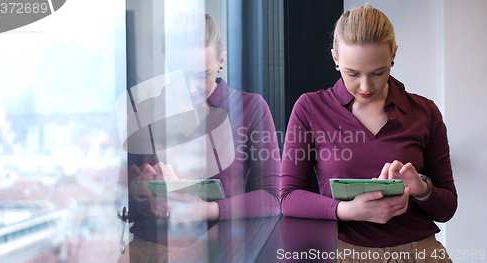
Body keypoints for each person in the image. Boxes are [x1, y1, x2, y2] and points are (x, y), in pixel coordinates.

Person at [280, 4, 457, 262]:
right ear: (335, 58)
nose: (365, 86)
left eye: (378, 72)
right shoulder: (310, 108)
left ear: (393, 55)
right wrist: (347, 210)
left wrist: (421, 188)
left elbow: (447, 207)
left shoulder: (425, 112)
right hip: (345, 254)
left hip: (422, 254)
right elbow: (288, 198)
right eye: (353, 73)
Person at [124, 10, 281, 262]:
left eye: (203, 75)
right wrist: (143, 193)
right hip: (149, 250)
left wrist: (202, 210)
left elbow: (274, 198)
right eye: (180, 74)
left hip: (221, 252)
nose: (191, 88)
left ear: (222, 60)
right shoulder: (142, 112)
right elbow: (124, 204)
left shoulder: (251, 107)